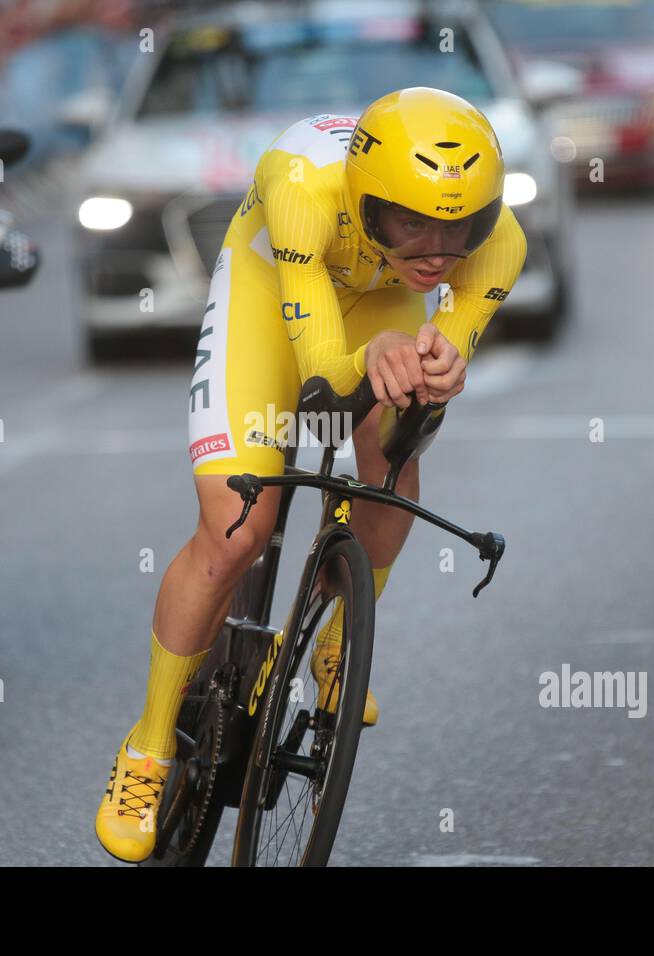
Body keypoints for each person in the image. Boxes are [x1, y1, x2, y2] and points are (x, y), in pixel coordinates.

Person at [93, 87, 529, 863]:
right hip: (274, 291)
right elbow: (325, 373)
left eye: (459, 225)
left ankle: (335, 645)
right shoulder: (299, 184)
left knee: (395, 461)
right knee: (236, 530)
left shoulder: (501, 244)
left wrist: (439, 366)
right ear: (364, 202)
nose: (436, 247)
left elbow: (437, 365)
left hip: (378, 299)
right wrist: (367, 365)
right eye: (410, 222)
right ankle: (149, 748)